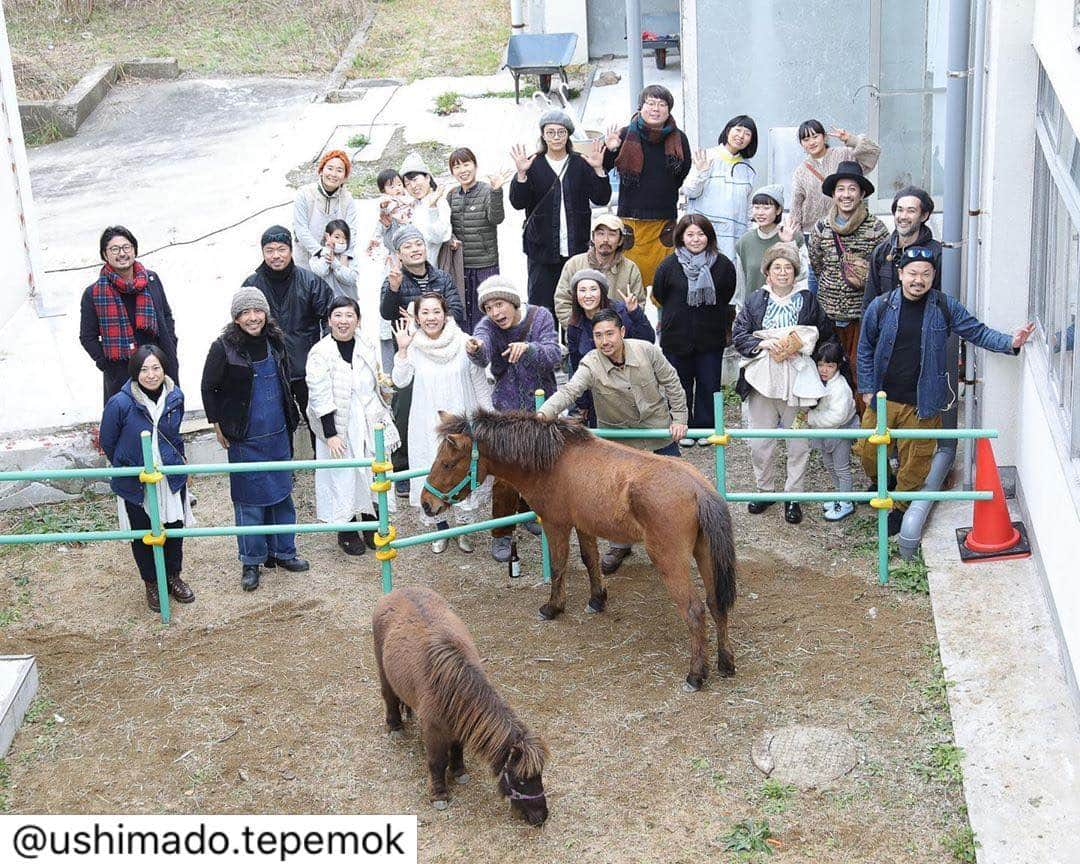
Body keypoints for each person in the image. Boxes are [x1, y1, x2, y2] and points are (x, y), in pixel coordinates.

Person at [857, 247, 1035, 535]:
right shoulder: (881, 306)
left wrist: (1011, 342)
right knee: (868, 451)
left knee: (916, 460)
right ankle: (886, 482)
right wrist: (866, 389)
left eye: (925, 274)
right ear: (901, 274)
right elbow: (864, 348)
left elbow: (976, 331)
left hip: (923, 402)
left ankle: (901, 508)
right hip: (882, 398)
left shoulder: (944, 306)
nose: (918, 279)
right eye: (912, 273)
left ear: (933, 276)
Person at [537, 308, 688, 574]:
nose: (605, 341)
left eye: (609, 334)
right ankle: (619, 544)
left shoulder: (647, 350)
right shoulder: (591, 363)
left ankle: (675, 541)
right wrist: (543, 414)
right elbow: (570, 391)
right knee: (614, 496)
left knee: (673, 489)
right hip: (617, 440)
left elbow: (672, 381)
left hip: (656, 430)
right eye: (598, 336)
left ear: (622, 332)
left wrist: (680, 418)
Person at [201, 288, 307, 591]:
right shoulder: (223, 348)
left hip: (277, 433)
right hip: (245, 437)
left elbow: (287, 379)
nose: (252, 318)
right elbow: (208, 387)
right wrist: (217, 423)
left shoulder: (275, 341)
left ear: (265, 313)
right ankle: (251, 561)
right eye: (245, 313)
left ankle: (284, 551)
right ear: (236, 318)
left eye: (256, 311)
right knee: (248, 502)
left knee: (282, 496)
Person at [732, 243, 835, 525]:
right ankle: (764, 490)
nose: (782, 272)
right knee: (760, 441)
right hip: (762, 379)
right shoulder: (755, 300)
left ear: (795, 272)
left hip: (798, 378)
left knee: (798, 441)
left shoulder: (807, 300)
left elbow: (824, 333)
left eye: (788, 267)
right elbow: (739, 336)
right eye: (776, 267)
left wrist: (800, 343)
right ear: (767, 272)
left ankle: (794, 496)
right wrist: (766, 341)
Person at [465, 276, 561, 561]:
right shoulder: (488, 326)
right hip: (506, 411)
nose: (495, 312)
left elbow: (554, 355)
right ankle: (502, 533)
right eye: (489, 307)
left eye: (499, 304)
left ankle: (531, 513)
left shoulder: (540, 316)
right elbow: (483, 353)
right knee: (505, 476)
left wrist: (529, 349)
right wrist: (476, 349)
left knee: (541, 468)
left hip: (542, 406)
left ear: (513, 302)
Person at [392, 293, 493, 553]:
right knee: (434, 471)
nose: (431, 318)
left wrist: (488, 418)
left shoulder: (463, 342)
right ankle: (441, 528)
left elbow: (480, 381)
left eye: (436, 311)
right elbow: (400, 381)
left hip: (462, 416)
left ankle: (463, 530)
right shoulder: (413, 346)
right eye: (425, 313)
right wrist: (402, 350)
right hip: (427, 421)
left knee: (461, 470)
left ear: (445, 314)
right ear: (417, 318)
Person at [99, 345, 194, 613]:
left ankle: (173, 576)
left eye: (156, 368)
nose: (151, 375)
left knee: (174, 527)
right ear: (134, 372)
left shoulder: (175, 396)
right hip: (136, 480)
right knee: (143, 532)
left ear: (164, 369)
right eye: (144, 369)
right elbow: (108, 440)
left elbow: (174, 435)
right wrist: (128, 465)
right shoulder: (120, 402)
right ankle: (151, 582)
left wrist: (180, 463)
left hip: (168, 475)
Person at [306, 296, 397, 557]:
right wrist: (331, 433)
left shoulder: (366, 344)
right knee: (343, 476)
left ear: (357, 319)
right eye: (338, 315)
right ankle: (346, 530)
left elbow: (375, 378)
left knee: (370, 473)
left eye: (349, 315)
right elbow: (319, 394)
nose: (343, 321)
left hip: (369, 420)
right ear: (329, 320)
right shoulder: (321, 352)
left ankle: (371, 525)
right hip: (338, 424)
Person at [509, 110, 611, 317]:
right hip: (541, 250)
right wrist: (521, 174)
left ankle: (575, 347)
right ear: (543, 136)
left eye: (561, 132)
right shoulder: (533, 164)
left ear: (568, 135)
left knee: (579, 305)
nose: (556, 137)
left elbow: (601, 198)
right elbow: (517, 203)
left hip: (576, 248)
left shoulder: (580, 163)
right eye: (551, 132)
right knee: (542, 307)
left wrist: (599, 169)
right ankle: (547, 348)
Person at [241, 225, 334, 449]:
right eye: (270, 250)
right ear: (262, 253)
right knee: (277, 421)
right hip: (269, 367)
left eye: (281, 249)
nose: (276, 255)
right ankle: (284, 466)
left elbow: (329, 316)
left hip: (307, 365)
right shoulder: (252, 285)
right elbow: (241, 322)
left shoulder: (310, 281)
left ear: (290, 250)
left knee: (316, 416)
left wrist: (324, 353)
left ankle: (321, 463)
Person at [651, 215, 737, 446]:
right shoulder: (669, 265)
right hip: (676, 336)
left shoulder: (723, 264)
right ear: (680, 237)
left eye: (700, 234)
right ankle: (683, 427)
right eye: (690, 234)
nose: (696, 239)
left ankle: (706, 427)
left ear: (709, 236)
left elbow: (728, 292)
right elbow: (659, 293)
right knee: (679, 384)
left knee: (709, 384)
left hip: (710, 336)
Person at [807, 161, 888, 396]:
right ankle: (831, 428)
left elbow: (885, 274)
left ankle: (863, 430)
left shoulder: (877, 229)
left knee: (861, 373)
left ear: (862, 193)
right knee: (827, 372)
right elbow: (817, 265)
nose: (846, 195)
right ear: (833, 194)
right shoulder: (821, 227)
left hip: (862, 317)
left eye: (852, 189)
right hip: (828, 317)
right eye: (841, 189)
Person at [602, 85, 692, 289]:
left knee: (664, 284)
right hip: (631, 220)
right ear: (640, 107)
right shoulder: (625, 134)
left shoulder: (678, 137)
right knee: (629, 283)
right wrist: (612, 149)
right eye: (650, 103)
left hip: (664, 221)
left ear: (669, 110)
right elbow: (606, 166)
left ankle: (663, 322)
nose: (655, 108)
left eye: (662, 104)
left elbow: (682, 172)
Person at [80, 226, 179, 404]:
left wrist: (170, 346)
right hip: (121, 372)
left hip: (156, 366)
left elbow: (166, 316)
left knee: (164, 417)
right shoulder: (94, 293)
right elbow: (87, 337)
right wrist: (107, 364)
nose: (122, 253)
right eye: (114, 249)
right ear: (104, 254)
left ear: (134, 250)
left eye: (127, 247)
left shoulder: (151, 280)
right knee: (126, 423)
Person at [790, 121, 881, 294]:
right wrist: (795, 236)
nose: (811, 142)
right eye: (806, 139)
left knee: (851, 276)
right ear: (801, 144)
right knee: (818, 277)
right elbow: (796, 205)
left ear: (824, 136)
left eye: (815, 136)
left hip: (851, 227)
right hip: (815, 232)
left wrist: (851, 139)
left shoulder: (844, 154)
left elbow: (873, 152)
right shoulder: (800, 171)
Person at [564, 269, 655, 425]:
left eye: (593, 289)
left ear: (602, 292)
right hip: (598, 394)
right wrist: (583, 403)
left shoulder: (620, 311)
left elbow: (648, 340)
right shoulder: (575, 325)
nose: (588, 295)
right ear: (575, 295)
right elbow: (576, 365)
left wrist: (635, 312)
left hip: (630, 387)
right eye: (582, 290)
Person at [447, 147, 509, 332]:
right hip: (460, 266)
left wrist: (497, 191)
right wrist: (450, 238)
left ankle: (491, 353)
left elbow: (496, 218)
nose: (463, 170)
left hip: (485, 264)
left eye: (466, 164)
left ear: (475, 165)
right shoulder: (451, 195)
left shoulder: (487, 190)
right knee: (463, 314)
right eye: (457, 166)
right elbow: (445, 226)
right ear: (452, 172)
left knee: (489, 313)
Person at [684, 114, 758, 259]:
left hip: (733, 239)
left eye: (747, 133)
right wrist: (702, 172)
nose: (741, 136)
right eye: (738, 130)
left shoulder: (747, 169)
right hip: (703, 235)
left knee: (727, 277)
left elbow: (749, 209)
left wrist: (751, 236)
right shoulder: (706, 156)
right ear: (727, 131)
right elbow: (689, 191)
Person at [553, 213, 645, 328]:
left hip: (619, 337)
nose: (605, 240)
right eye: (600, 234)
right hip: (581, 336)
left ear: (620, 240)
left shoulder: (630, 269)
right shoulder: (574, 264)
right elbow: (562, 302)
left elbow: (639, 306)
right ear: (593, 237)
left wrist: (617, 332)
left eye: (612, 234)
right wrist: (579, 329)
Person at [862, 186, 942, 311]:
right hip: (886, 329)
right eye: (900, 210)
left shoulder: (937, 254)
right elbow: (869, 301)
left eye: (911, 211)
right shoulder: (881, 252)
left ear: (924, 215)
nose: (903, 216)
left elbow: (943, 305)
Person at [805, 340, 857, 522]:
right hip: (825, 432)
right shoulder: (821, 382)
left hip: (840, 432)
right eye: (820, 365)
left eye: (829, 365)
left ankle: (846, 502)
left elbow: (837, 417)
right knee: (829, 464)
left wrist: (810, 419)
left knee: (842, 468)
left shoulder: (840, 387)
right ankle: (840, 495)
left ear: (838, 366)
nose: (824, 369)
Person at [733, 184, 804, 307]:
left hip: (788, 308)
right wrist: (740, 311)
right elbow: (741, 284)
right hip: (755, 310)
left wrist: (788, 244)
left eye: (766, 207)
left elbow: (803, 274)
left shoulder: (795, 237)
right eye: (756, 207)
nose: (760, 212)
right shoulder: (744, 242)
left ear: (778, 210)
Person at [293, 149, 359, 266]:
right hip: (305, 258)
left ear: (344, 177)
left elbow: (351, 232)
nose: (333, 174)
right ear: (321, 170)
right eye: (329, 168)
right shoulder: (304, 194)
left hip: (335, 260)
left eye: (339, 170)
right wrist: (320, 251)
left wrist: (344, 259)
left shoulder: (347, 200)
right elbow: (300, 229)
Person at [392, 152, 452, 265]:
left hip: (431, 271)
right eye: (407, 184)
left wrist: (432, 207)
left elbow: (438, 237)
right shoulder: (412, 205)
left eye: (415, 179)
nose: (413, 186)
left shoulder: (440, 203)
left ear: (427, 177)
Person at [309, 219, 359, 300]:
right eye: (337, 237)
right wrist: (328, 250)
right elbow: (320, 272)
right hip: (325, 303)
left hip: (346, 304)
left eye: (345, 238)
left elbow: (351, 279)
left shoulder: (350, 257)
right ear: (327, 237)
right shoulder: (317, 255)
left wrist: (335, 264)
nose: (342, 241)